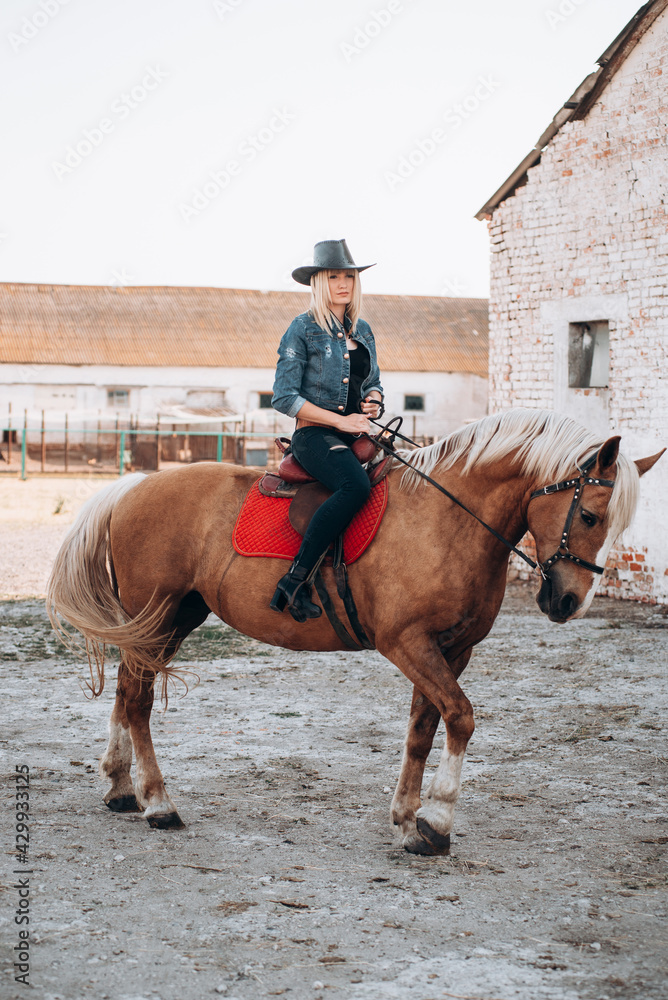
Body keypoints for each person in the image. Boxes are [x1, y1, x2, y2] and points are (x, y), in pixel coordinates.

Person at [270, 239, 384, 622]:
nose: (343, 283)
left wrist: (373, 402)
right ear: (319, 281)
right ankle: (295, 580)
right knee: (356, 487)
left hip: (357, 431)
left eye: (348, 276)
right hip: (316, 436)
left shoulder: (362, 329)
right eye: (333, 276)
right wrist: (340, 421)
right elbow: (284, 397)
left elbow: (373, 382)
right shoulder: (301, 329)